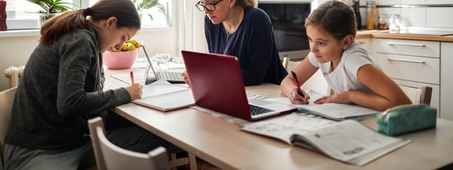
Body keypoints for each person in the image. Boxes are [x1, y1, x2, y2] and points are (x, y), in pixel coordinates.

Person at [3, 0, 171, 169]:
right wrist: (126, 93)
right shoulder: (80, 40)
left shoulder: (90, 39)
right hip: (40, 147)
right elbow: (70, 104)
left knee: (159, 137)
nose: (120, 46)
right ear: (111, 22)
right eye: (123, 37)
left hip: (72, 139)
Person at [280, 0, 411, 111]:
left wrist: (349, 96)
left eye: (321, 43)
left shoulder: (353, 60)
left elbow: (402, 103)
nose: (313, 49)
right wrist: (292, 91)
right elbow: (288, 81)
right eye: (310, 39)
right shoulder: (320, 54)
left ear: (346, 41)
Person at [182, 0, 288, 86]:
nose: (206, 11)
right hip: (234, 91)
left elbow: (256, 75)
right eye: (202, 4)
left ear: (231, 1)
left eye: (211, 4)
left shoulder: (257, 19)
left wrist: (210, 76)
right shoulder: (211, 21)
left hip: (272, 95)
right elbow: (216, 65)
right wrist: (197, 72)